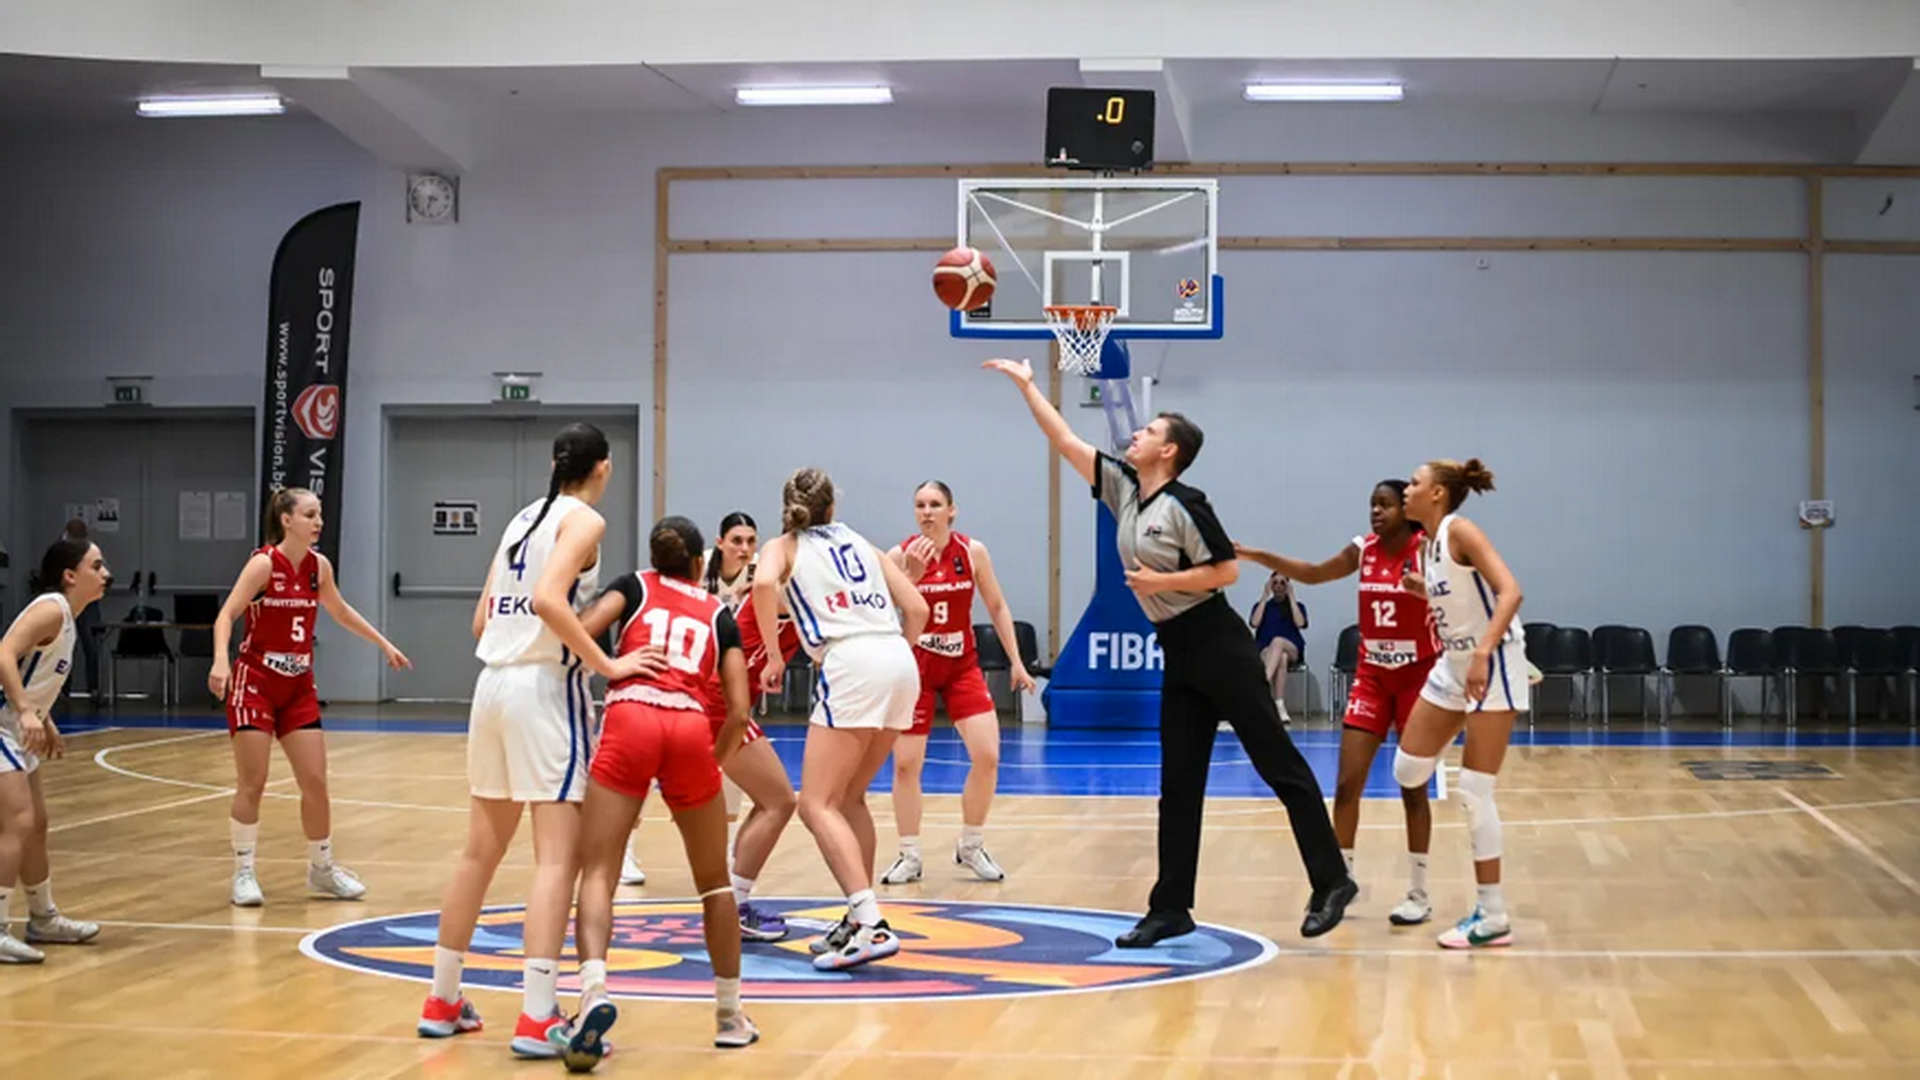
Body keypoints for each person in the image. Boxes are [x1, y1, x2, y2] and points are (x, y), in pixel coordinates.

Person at [983, 358, 1355, 946]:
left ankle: (1332, 880)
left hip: (1220, 645)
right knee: (1178, 784)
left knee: (1277, 763)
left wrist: (1162, 582)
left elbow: (1226, 572)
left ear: (1170, 451)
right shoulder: (1124, 489)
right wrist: (1029, 386)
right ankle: (1171, 907)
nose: (1137, 433)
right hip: (1178, 652)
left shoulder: (1187, 502)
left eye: (1150, 430)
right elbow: (1065, 440)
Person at [417, 423, 649, 1058]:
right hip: (545, 692)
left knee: (479, 854)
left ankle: (442, 999)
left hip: (491, 686)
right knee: (556, 860)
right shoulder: (585, 521)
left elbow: (481, 621)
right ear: (603, 468)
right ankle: (539, 1015)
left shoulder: (521, 519)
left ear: (554, 464)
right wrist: (608, 665)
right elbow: (549, 600)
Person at [567, 517, 760, 1064]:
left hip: (631, 715)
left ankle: (593, 994)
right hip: (689, 727)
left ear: (655, 559)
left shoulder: (633, 586)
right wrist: (711, 765)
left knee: (598, 872)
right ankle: (730, 1016)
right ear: (700, 564)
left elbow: (578, 630)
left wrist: (612, 664)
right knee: (715, 885)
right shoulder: (719, 612)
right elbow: (739, 710)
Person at [1236, 479, 1439, 926]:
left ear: (1406, 512)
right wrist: (1257, 555)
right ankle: (1338, 883)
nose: (1376, 512)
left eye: (1385, 505)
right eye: (1372, 505)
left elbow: (1459, 597)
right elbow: (1312, 572)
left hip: (1417, 678)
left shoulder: (1427, 550)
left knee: (1413, 788)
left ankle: (1419, 892)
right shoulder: (1363, 550)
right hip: (1372, 678)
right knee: (1347, 784)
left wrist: (1431, 590)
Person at [751, 468, 928, 970]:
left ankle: (871, 923)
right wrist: (895, 655)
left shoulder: (783, 546)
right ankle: (857, 915)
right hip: (898, 658)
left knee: (815, 804)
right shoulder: (861, 543)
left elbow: (761, 584)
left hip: (850, 660)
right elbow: (917, 609)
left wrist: (774, 655)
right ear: (833, 507)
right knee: (849, 799)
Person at [209, 488, 411, 909]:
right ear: (286, 520)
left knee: (315, 781)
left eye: (319, 514)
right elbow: (226, 614)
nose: (318, 522)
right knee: (253, 782)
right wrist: (221, 662)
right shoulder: (264, 564)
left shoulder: (319, 567)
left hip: (298, 685)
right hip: (255, 682)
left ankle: (322, 867)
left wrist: (383, 643)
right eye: (310, 514)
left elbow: (340, 611)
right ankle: (243, 871)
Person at [1390, 458, 1528, 949]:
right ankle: (1461, 740)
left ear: (1438, 493)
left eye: (1414, 483)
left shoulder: (1461, 530)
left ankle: (1493, 915)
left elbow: (1510, 591)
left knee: (1474, 791)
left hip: (1493, 661)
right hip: (1453, 664)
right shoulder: (1426, 545)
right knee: (1408, 770)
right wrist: (1424, 591)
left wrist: (1484, 652)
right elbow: (1460, 598)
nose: (1406, 490)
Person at [879, 481, 1032, 885]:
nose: (927, 511)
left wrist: (1017, 662)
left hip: (961, 666)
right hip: (916, 668)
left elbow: (996, 605)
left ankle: (971, 844)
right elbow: (885, 614)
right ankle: (909, 854)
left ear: (952, 510)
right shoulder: (899, 555)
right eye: (920, 505)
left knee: (988, 755)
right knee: (906, 764)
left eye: (935, 504)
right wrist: (911, 576)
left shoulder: (972, 551)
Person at [621, 511, 770, 889]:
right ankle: (626, 849)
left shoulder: (761, 573)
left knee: (731, 767)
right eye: (737, 541)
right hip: (684, 675)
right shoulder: (696, 567)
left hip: (727, 681)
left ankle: (725, 849)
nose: (745, 548)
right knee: (651, 766)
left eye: (751, 541)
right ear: (719, 543)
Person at [0, 539, 111, 963]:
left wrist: (42, 718)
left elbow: (30, 670)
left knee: (37, 824)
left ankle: (43, 917)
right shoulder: (51, 608)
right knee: (19, 820)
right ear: (69, 575)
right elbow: (4, 653)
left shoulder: (68, 617)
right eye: (96, 566)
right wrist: (26, 710)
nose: (105, 574)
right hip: (4, 723)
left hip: (18, 725)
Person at [1246, 571, 1307, 724]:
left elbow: (1300, 623)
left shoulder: (1297, 606)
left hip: (1291, 647)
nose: (1279, 586)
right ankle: (1279, 706)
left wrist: (1291, 597)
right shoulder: (1262, 606)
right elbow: (1254, 623)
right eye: (1275, 583)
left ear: (1288, 586)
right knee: (1281, 658)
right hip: (1266, 650)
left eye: (1282, 583)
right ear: (1270, 586)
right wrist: (1264, 596)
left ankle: (1262, 683)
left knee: (1278, 641)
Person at [57, 520, 102, 702]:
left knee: (90, 646)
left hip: (87, 600)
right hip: (69, 600)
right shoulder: (60, 551)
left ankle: (92, 688)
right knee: (65, 647)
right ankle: (63, 689)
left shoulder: (89, 550)